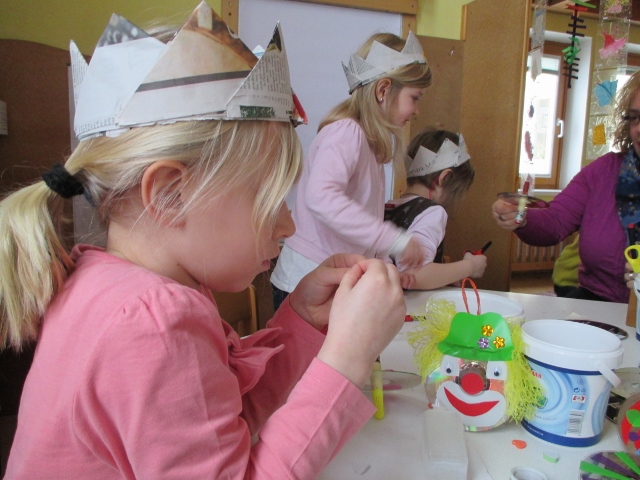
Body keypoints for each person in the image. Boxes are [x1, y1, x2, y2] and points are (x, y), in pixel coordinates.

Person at [2, 5, 407, 478]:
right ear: (171, 196)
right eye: (269, 199)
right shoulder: (155, 324)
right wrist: (347, 360)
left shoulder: (113, 287)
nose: (288, 227)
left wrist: (300, 321)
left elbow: (219, 421)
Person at [270, 32, 432, 309]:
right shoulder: (347, 132)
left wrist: (384, 258)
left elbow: (359, 220)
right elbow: (321, 197)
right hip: (305, 282)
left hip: (330, 282)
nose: (417, 110)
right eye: (414, 98)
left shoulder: (367, 143)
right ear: (383, 90)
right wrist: (393, 239)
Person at [493, 70, 640, 303]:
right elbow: (556, 220)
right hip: (596, 308)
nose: (639, 128)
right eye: (635, 118)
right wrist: (521, 216)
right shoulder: (604, 172)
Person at [384, 128, 486, 289]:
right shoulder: (432, 212)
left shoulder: (389, 206)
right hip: (409, 309)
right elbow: (416, 274)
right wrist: (470, 266)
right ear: (444, 179)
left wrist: (446, 275)